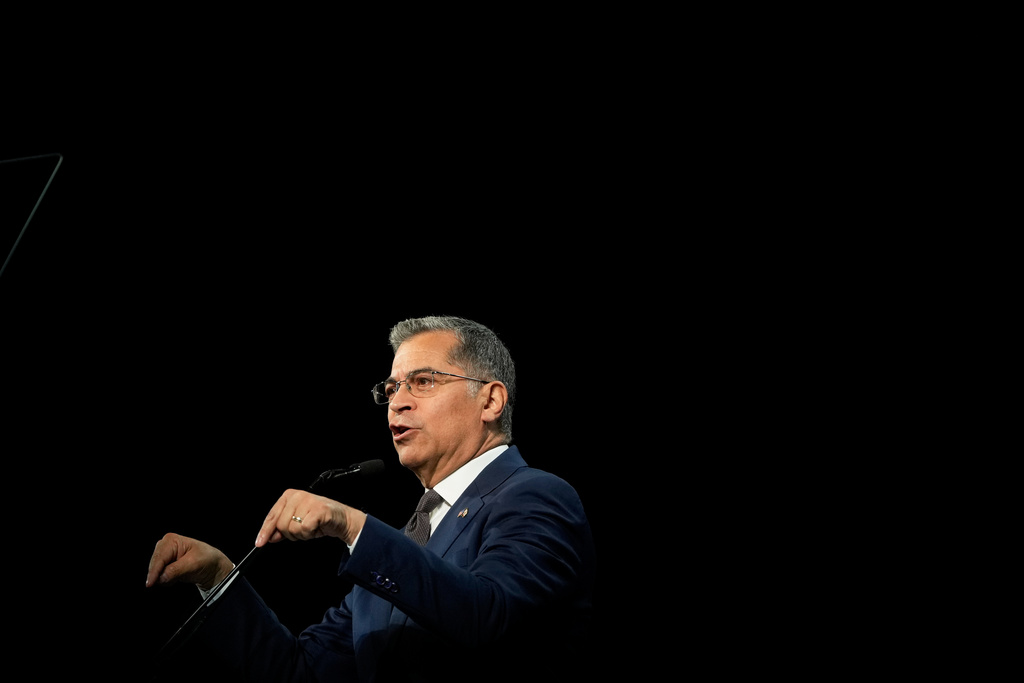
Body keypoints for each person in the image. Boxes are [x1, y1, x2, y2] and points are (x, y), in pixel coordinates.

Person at [146, 316, 596, 682]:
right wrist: (218, 577)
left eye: (423, 381)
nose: (397, 403)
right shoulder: (398, 548)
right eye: (392, 388)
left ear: (491, 400)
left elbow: (489, 616)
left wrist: (353, 526)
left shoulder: (536, 495)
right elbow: (300, 672)